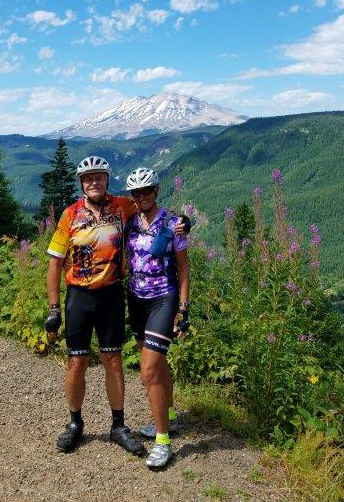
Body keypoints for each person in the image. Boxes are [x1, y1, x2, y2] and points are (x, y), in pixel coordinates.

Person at [44, 156, 189, 455]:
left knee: (113, 360)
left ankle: (118, 425)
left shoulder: (122, 207)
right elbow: (55, 262)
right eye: (88, 178)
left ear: (107, 180)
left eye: (99, 177)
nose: (94, 182)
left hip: (111, 295)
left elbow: (154, 209)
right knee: (77, 362)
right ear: (81, 183)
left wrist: (186, 222)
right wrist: (54, 308)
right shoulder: (69, 215)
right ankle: (74, 423)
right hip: (79, 296)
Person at [124, 167, 190, 468]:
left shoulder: (174, 224)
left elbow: (184, 268)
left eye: (146, 191)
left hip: (164, 299)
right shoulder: (129, 220)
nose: (141, 197)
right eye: (136, 193)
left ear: (157, 191)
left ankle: (163, 441)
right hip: (136, 300)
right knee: (158, 364)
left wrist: (183, 308)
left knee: (148, 369)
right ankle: (170, 416)